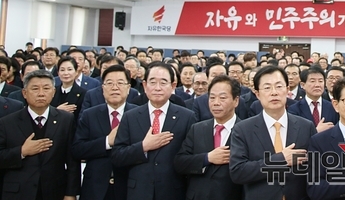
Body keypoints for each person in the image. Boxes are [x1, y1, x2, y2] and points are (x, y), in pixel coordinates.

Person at [229, 65, 316, 200]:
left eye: (279, 86)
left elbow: (315, 170)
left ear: (287, 90)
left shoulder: (306, 126)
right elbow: (238, 172)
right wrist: (280, 160)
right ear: (257, 94)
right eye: (267, 87)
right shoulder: (243, 129)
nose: (274, 92)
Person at [111, 62, 196, 200]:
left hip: (173, 192)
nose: (157, 88)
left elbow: (190, 158)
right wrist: (143, 147)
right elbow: (117, 156)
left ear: (173, 86)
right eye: (152, 82)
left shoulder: (187, 116)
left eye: (163, 83)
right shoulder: (130, 116)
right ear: (144, 86)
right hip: (138, 192)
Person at [0, 69, 81, 200]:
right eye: (35, 89)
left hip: (55, 191)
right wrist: (22, 151)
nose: (41, 93)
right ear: (24, 93)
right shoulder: (7, 122)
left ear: (53, 92)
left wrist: (71, 193)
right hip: (18, 192)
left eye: (46, 88)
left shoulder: (66, 119)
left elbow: (72, 160)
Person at [71, 65, 137, 200]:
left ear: (128, 88)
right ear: (102, 89)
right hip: (95, 187)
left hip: (128, 186)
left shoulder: (138, 115)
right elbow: (77, 149)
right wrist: (107, 142)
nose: (114, 87)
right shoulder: (89, 115)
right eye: (109, 83)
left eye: (120, 83)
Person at [174, 75, 243, 200]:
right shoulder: (197, 129)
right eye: (212, 97)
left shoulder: (245, 130)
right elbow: (180, 162)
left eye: (222, 98)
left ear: (236, 101)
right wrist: (207, 158)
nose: (216, 103)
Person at [288, 66, 339, 132]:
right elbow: (294, 134)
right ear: (303, 85)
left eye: (320, 81)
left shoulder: (332, 107)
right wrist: (316, 131)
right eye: (312, 81)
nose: (317, 85)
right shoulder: (294, 109)